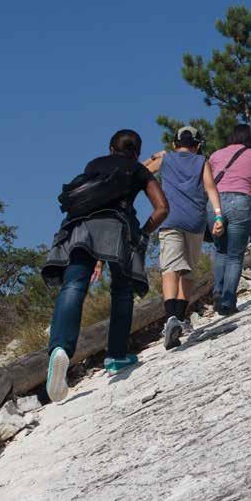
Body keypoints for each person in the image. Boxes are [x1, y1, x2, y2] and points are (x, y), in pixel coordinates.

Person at [42, 130, 169, 402]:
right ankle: (116, 355)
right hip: (118, 228)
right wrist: (143, 233)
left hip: (81, 228)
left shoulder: (94, 165)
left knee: (74, 285)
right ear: (137, 151)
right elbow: (162, 208)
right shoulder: (137, 169)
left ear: (111, 148)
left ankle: (60, 348)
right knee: (121, 291)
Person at [143, 127, 224, 350]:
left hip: (170, 220)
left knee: (170, 268)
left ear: (174, 144)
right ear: (197, 145)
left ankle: (170, 318)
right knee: (188, 270)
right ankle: (180, 317)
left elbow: (138, 171)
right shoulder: (202, 162)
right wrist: (218, 216)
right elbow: (211, 189)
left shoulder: (166, 159)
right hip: (195, 222)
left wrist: (154, 157)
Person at [207, 124, 251, 316]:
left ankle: (218, 291)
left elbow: (207, 181)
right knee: (235, 255)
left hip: (215, 202)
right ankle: (227, 301)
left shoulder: (216, 155)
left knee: (220, 250)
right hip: (241, 201)